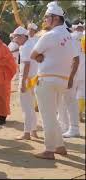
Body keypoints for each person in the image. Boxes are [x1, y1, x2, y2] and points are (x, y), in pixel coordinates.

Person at [30, 1, 79, 159]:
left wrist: (40, 57)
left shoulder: (50, 35)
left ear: (56, 18)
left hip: (47, 80)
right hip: (62, 80)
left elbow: (33, 55)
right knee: (53, 115)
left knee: (48, 116)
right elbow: (75, 59)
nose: (45, 20)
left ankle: (49, 149)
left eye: (47, 17)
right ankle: (60, 146)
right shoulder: (69, 37)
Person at [11, 26, 39, 140]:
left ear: (22, 37)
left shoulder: (25, 47)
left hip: (27, 79)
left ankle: (27, 132)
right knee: (31, 106)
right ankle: (33, 130)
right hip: (34, 78)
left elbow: (26, 65)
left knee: (26, 107)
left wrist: (22, 83)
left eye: (16, 37)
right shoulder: (31, 44)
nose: (15, 39)